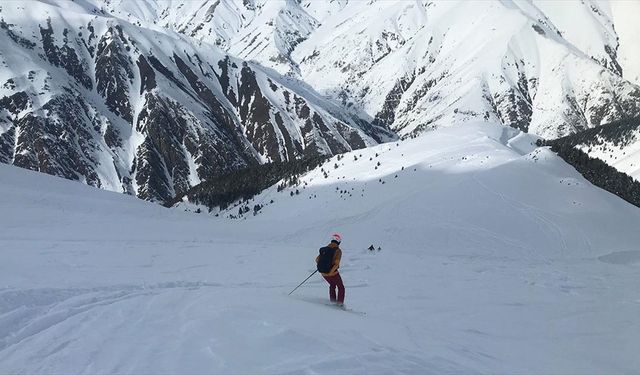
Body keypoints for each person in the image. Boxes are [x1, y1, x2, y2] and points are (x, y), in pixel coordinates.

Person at [316, 233, 345, 306]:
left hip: (323, 273)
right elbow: (336, 264)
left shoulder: (324, 249)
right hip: (333, 273)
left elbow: (316, 259)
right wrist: (330, 272)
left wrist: (323, 266)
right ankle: (340, 304)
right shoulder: (338, 250)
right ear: (339, 242)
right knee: (341, 287)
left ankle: (333, 302)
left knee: (332, 285)